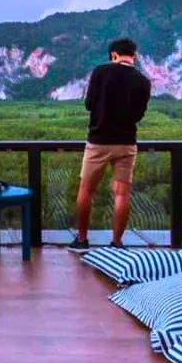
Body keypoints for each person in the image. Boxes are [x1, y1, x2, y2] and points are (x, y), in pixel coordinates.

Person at [69, 37, 151, 253]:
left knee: (86, 191)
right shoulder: (143, 81)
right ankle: (116, 243)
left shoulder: (100, 72)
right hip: (126, 143)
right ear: (134, 56)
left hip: (98, 141)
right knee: (122, 194)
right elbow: (138, 114)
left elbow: (89, 105)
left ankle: (82, 239)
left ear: (113, 54)